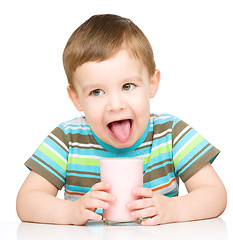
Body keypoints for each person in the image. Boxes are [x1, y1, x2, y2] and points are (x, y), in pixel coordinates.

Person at [16, 14, 227, 226]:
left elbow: (215, 194)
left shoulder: (170, 133)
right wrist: (70, 212)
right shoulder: (69, 139)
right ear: (76, 99)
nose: (116, 105)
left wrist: (174, 209)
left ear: (152, 83)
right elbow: (27, 201)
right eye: (97, 92)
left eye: (127, 86)